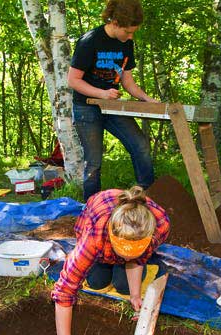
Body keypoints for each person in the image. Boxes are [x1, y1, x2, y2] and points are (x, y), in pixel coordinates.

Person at [51, 186, 170, 335]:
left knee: (124, 286)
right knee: (97, 281)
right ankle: (108, 261)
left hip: (131, 229)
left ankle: (126, 270)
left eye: (134, 251)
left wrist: (136, 296)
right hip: (98, 213)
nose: (127, 256)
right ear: (112, 236)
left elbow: (138, 258)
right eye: (123, 251)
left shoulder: (160, 226)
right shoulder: (94, 237)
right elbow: (65, 291)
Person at [69, 0, 159, 201]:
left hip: (112, 106)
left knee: (140, 145)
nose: (131, 36)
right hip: (86, 107)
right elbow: (73, 80)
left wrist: (147, 99)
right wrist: (101, 94)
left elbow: (127, 81)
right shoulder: (89, 41)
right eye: (128, 31)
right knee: (93, 162)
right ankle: (91, 207)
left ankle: (147, 199)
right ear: (116, 23)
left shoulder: (127, 43)